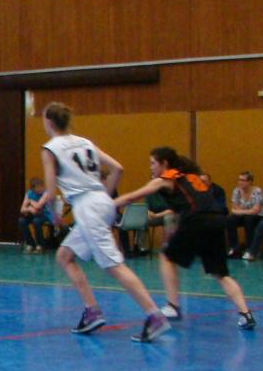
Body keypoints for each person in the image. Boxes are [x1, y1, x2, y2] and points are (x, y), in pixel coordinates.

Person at [28, 102, 169, 342]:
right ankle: (92, 311)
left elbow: (51, 193)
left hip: (87, 207)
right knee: (64, 256)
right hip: (101, 201)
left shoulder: (50, 148)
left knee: (114, 265)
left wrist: (54, 216)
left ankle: (154, 315)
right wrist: (103, 197)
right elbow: (118, 169)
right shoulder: (84, 142)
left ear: (48, 122)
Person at [113, 147, 255, 330]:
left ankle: (173, 306)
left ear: (164, 163)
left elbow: (133, 196)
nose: (151, 167)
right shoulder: (191, 177)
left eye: (153, 163)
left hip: (197, 220)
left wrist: (108, 204)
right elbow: (187, 204)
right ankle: (246, 314)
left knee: (166, 256)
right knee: (220, 273)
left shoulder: (166, 179)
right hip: (218, 221)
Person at [225, 171, 263, 258]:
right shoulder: (236, 191)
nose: (240, 182)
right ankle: (234, 247)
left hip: (258, 216)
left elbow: (256, 210)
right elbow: (234, 208)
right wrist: (247, 211)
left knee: (249, 219)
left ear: (250, 182)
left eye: (243, 180)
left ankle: (250, 249)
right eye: (239, 180)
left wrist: (241, 210)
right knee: (230, 219)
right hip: (244, 215)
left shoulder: (257, 191)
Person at [18, 177, 50, 253]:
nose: (40, 190)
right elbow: (22, 209)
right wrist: (29, 209)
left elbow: (38, 206)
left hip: (45, 214)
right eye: (37, 189)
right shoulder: (29, 193)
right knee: (21, 221)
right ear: (33, 189)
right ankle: (30, 244)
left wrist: (30, 201)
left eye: (41, 187)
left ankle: (40, 245)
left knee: (36, 221)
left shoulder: (46, 193)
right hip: (33, 214)